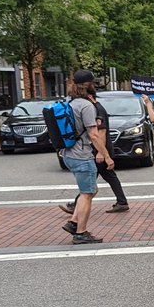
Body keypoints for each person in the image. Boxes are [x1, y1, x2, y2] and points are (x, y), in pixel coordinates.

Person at [59, 70, 112, 244]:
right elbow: (94, 135)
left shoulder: (70, 103)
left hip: (68, 154)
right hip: (81, 155)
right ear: (87, 86)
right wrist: (106, 156)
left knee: (91, 190)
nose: (94, 86)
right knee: (87, 193)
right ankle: (81, 233)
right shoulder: (87, 106)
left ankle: (74, 223)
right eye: (92, 83)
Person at [59, 93, 130, 215]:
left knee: (89, 181)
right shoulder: (97, 108)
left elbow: (101, 132)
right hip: (101, 149)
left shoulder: (96, 109)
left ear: (90, 97)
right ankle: (122, 202)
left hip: (99, 150)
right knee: (109, 176)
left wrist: (100, 154)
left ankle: (76, 205)